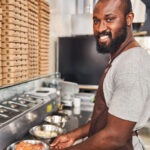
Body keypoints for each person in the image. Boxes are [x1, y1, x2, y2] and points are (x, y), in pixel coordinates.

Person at [51, 0, 150, 149]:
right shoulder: (120, 58)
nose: (100, 28)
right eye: (96, 21)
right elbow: (108, 119)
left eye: (109, 19)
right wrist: (74, 135)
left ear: (129, 19)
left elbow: (115, 137)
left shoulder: (131, 64)